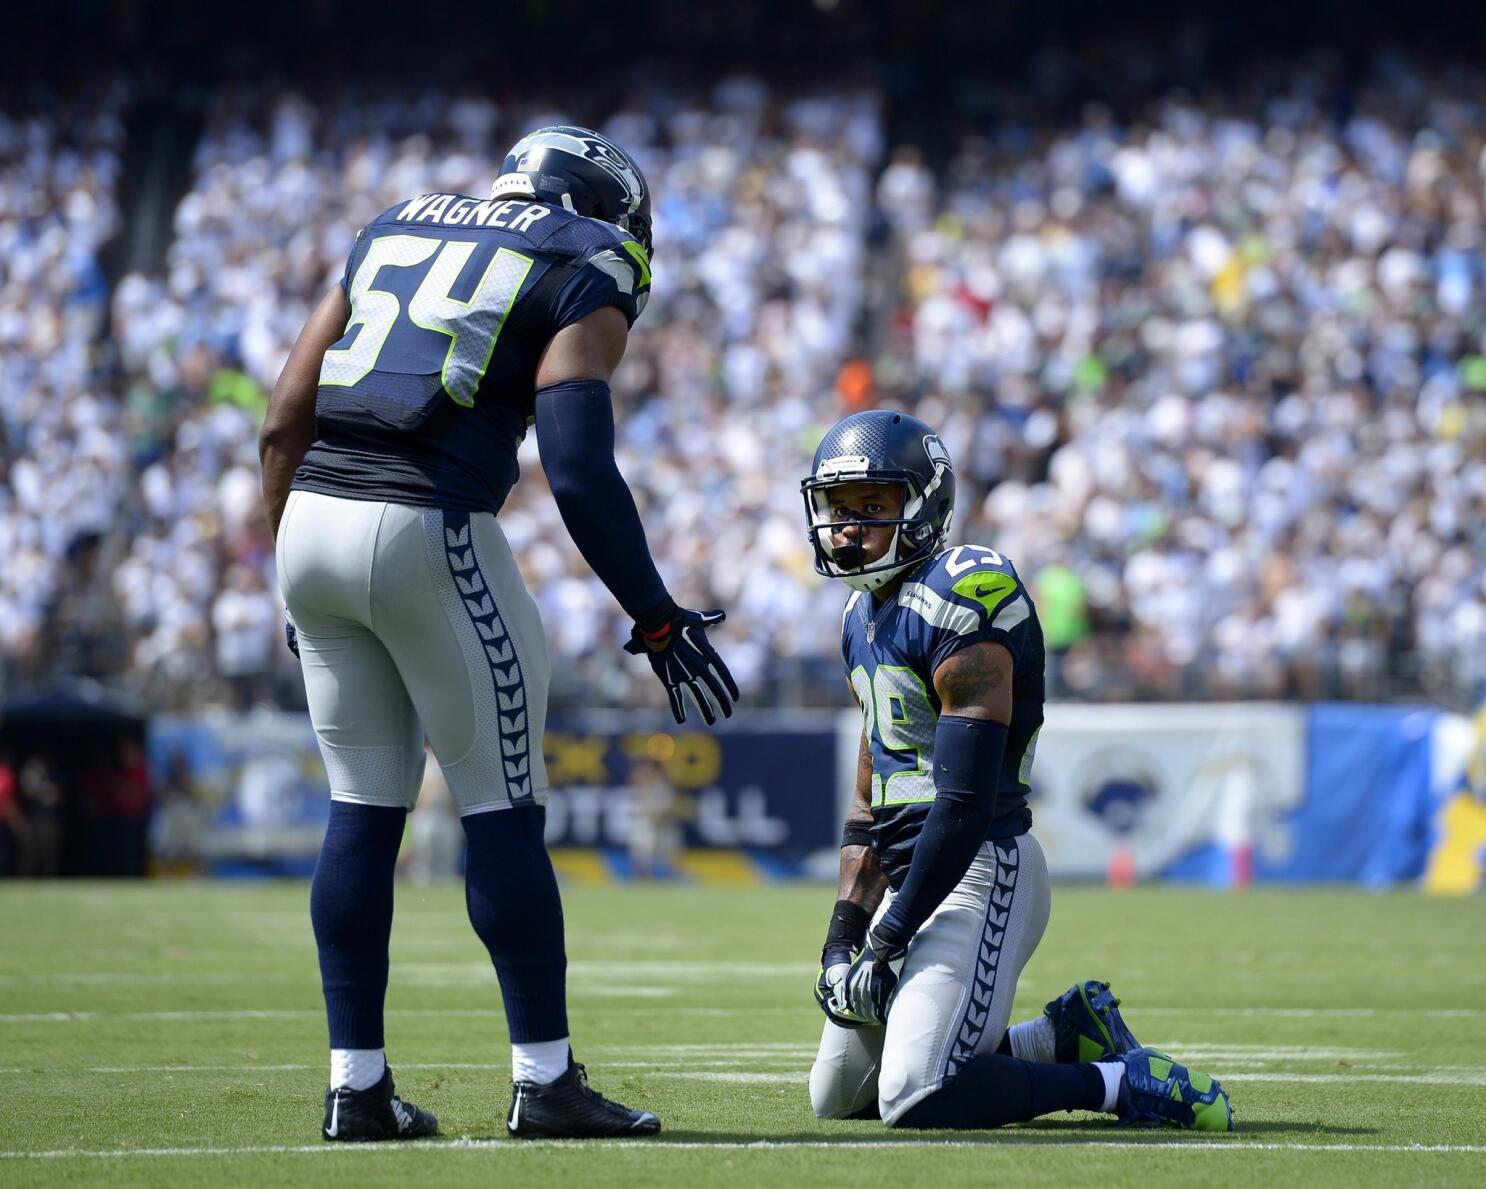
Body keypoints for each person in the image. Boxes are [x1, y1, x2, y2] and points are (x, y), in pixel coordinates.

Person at [259, 125, 738, 1143]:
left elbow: (282, 416)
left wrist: (285, 578)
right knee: (503, 809)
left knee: (360, 810)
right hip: (428, 521)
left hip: (309, 522)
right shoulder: (583, 258)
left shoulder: (392, 224)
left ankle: (357, 1087)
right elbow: (575, 466)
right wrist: (653, 614)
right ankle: (546, 1080)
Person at [801, 409, 1233, 1131]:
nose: (848, 527)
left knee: (914, 1092)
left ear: (922, 505)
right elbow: (869, 798)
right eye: (839, 509)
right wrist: (844, 935)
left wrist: (886, 939)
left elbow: (964, 802)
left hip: (980, 863)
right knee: (838, 1095)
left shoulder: (966, 591)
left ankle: (1117, 1083)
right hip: (906, 875)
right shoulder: (859, 615)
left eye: (872, 506)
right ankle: (1059, 1032)